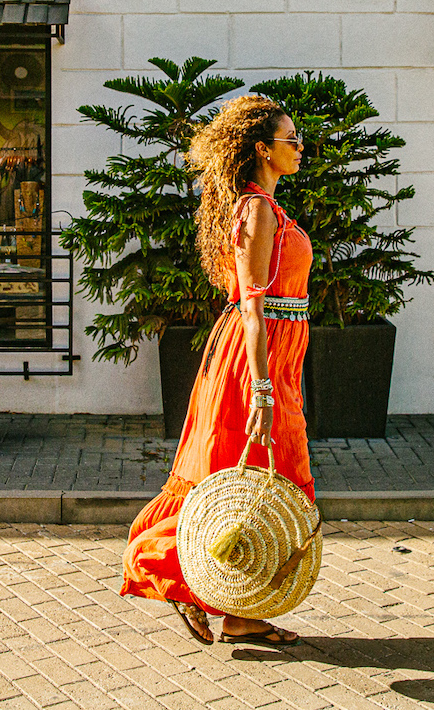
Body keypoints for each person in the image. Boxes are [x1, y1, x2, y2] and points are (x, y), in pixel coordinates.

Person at [121, 95, 312, 646]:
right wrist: (261, 388)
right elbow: (252, 303)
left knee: (252, 481)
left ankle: (239, 609)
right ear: (262, 150)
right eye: (291, 140)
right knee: (234, 479)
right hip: (256, 358)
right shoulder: (254, 210)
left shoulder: (267, 208)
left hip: (275, 352)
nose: (300, 148)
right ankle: (168, 572)